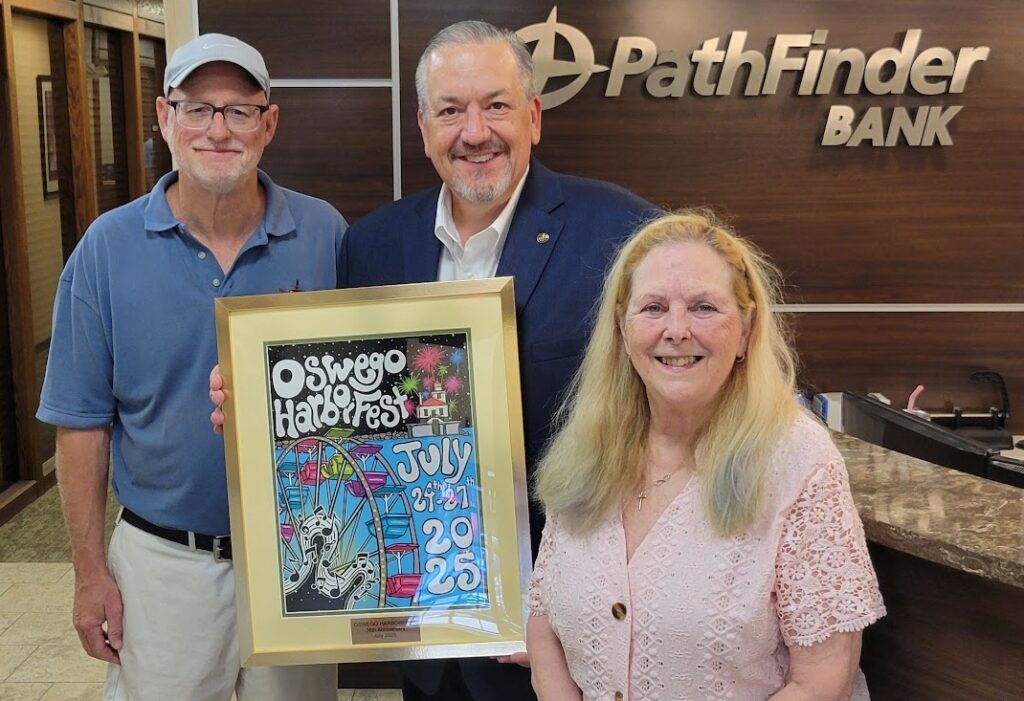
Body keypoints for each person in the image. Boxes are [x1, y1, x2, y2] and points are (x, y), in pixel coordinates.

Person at [210, 18, 657, 701]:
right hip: (423, 633)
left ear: (533, 117)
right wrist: (258, 411)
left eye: (496, 105)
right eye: (451, 110)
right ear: (424, 130)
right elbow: (351, 414)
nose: (474, 131)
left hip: (557, 632)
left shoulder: (621, 234)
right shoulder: (374, 246)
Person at [37, 34, 344, 701]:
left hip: (298, 555)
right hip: (164, 563)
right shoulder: (105, 249)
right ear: (163, 118)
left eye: (239, 110)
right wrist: (89, 571)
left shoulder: (325, 234)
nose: (218, 129)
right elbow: (81, 426)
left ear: (269, 123)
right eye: (198, 107)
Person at [528, 210, 886, 700]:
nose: (676, 330)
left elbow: (822, 679)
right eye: (653, 308)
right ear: (623, 328)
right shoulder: (587, 444)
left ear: (744, 330)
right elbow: (543, 616)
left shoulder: (798, 460)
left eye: (703, 308)